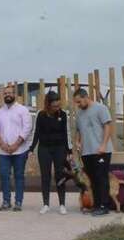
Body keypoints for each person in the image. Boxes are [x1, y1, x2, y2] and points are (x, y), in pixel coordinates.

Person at [30, 91, 72, 215]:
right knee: (45, 176)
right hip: (44, 149)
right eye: (54, 106)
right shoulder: (40, 114)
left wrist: (69, 150)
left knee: (60, 175)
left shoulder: (63, 114)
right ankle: (46, 204)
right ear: (48, 105)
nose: (57, 108)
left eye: (58, 105)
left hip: (59, 148)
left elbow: (67, 133)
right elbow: (36, 132)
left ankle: (62, 204)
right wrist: (31, 148)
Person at [73, 88, 114, 216]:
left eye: (79, 102)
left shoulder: (101, 108)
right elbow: (78, 130)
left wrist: (103, 145)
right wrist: (78, 142)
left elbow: (107, 126)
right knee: (92, 179)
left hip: (101, 151)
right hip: (86, 152)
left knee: (101, 178)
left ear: (86, 97)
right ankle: (96, 205)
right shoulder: (79, 113)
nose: (78, 105)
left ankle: (104, 205)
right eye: (76, 103)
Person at [0, 85, 33, 211]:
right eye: (5, 93)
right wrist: (3, 145)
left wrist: (16, 145)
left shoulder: (23, 110)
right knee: (4, 176)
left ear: (15, 95)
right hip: (3, 151)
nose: (7, 95)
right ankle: (6, 201)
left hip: (20, 150)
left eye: (10, 93)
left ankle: (18, 202)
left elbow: (27, 129)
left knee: (19, 176)